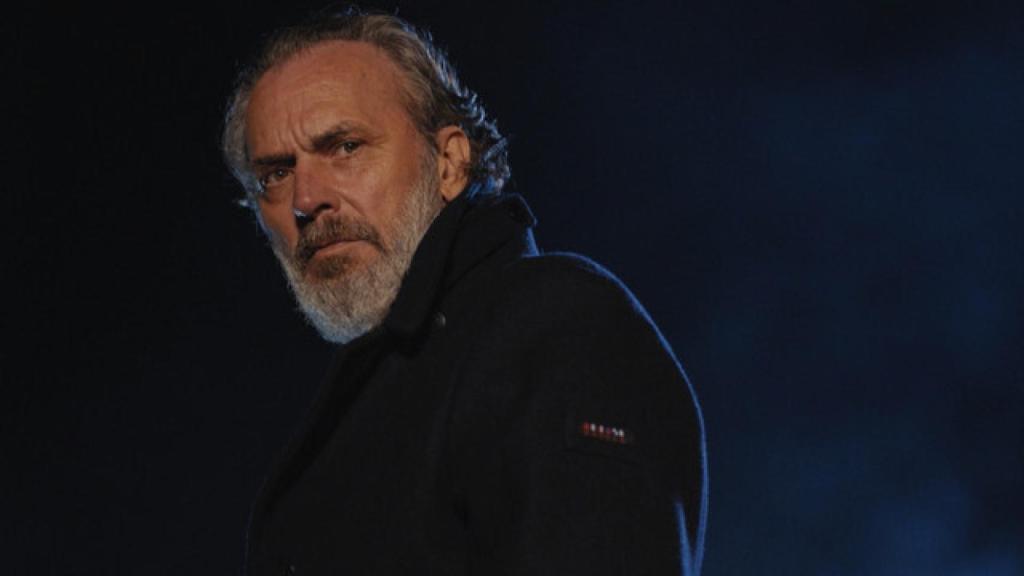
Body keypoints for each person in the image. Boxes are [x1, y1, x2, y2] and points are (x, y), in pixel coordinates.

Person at [222, 8, 707, 576]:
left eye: (346, 147)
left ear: (450, 163)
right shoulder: (387, 385)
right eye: (275, 174)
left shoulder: (556, 326)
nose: (306, 199)